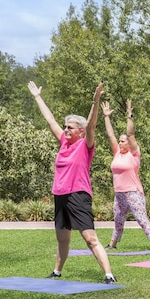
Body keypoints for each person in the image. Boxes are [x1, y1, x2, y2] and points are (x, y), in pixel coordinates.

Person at [27, 81, 117, 284]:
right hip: (60, 195)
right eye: (65, 127)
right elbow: (50, 120)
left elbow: (92, 124)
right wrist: (37, 97)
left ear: (81, 132)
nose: (66, 130)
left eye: (70, 128)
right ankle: (57, 271)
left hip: (78, 195)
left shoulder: (85, 145)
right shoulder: (63, 143)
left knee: (90, 238)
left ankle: (109, 275)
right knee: (62, 239)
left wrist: (95, 101)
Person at [101, 99, 150, 251]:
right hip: (119, 194)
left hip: (133, 192)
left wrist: (129, 115)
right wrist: (106, 117)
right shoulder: (117, 153)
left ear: (129, 143)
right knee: (118, 221)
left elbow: (130, 133)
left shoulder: (134, 154)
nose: (120, 143)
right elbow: (110, 136)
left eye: (123, 141)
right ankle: (113, 244)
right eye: (120, 141)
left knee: (141, 219)